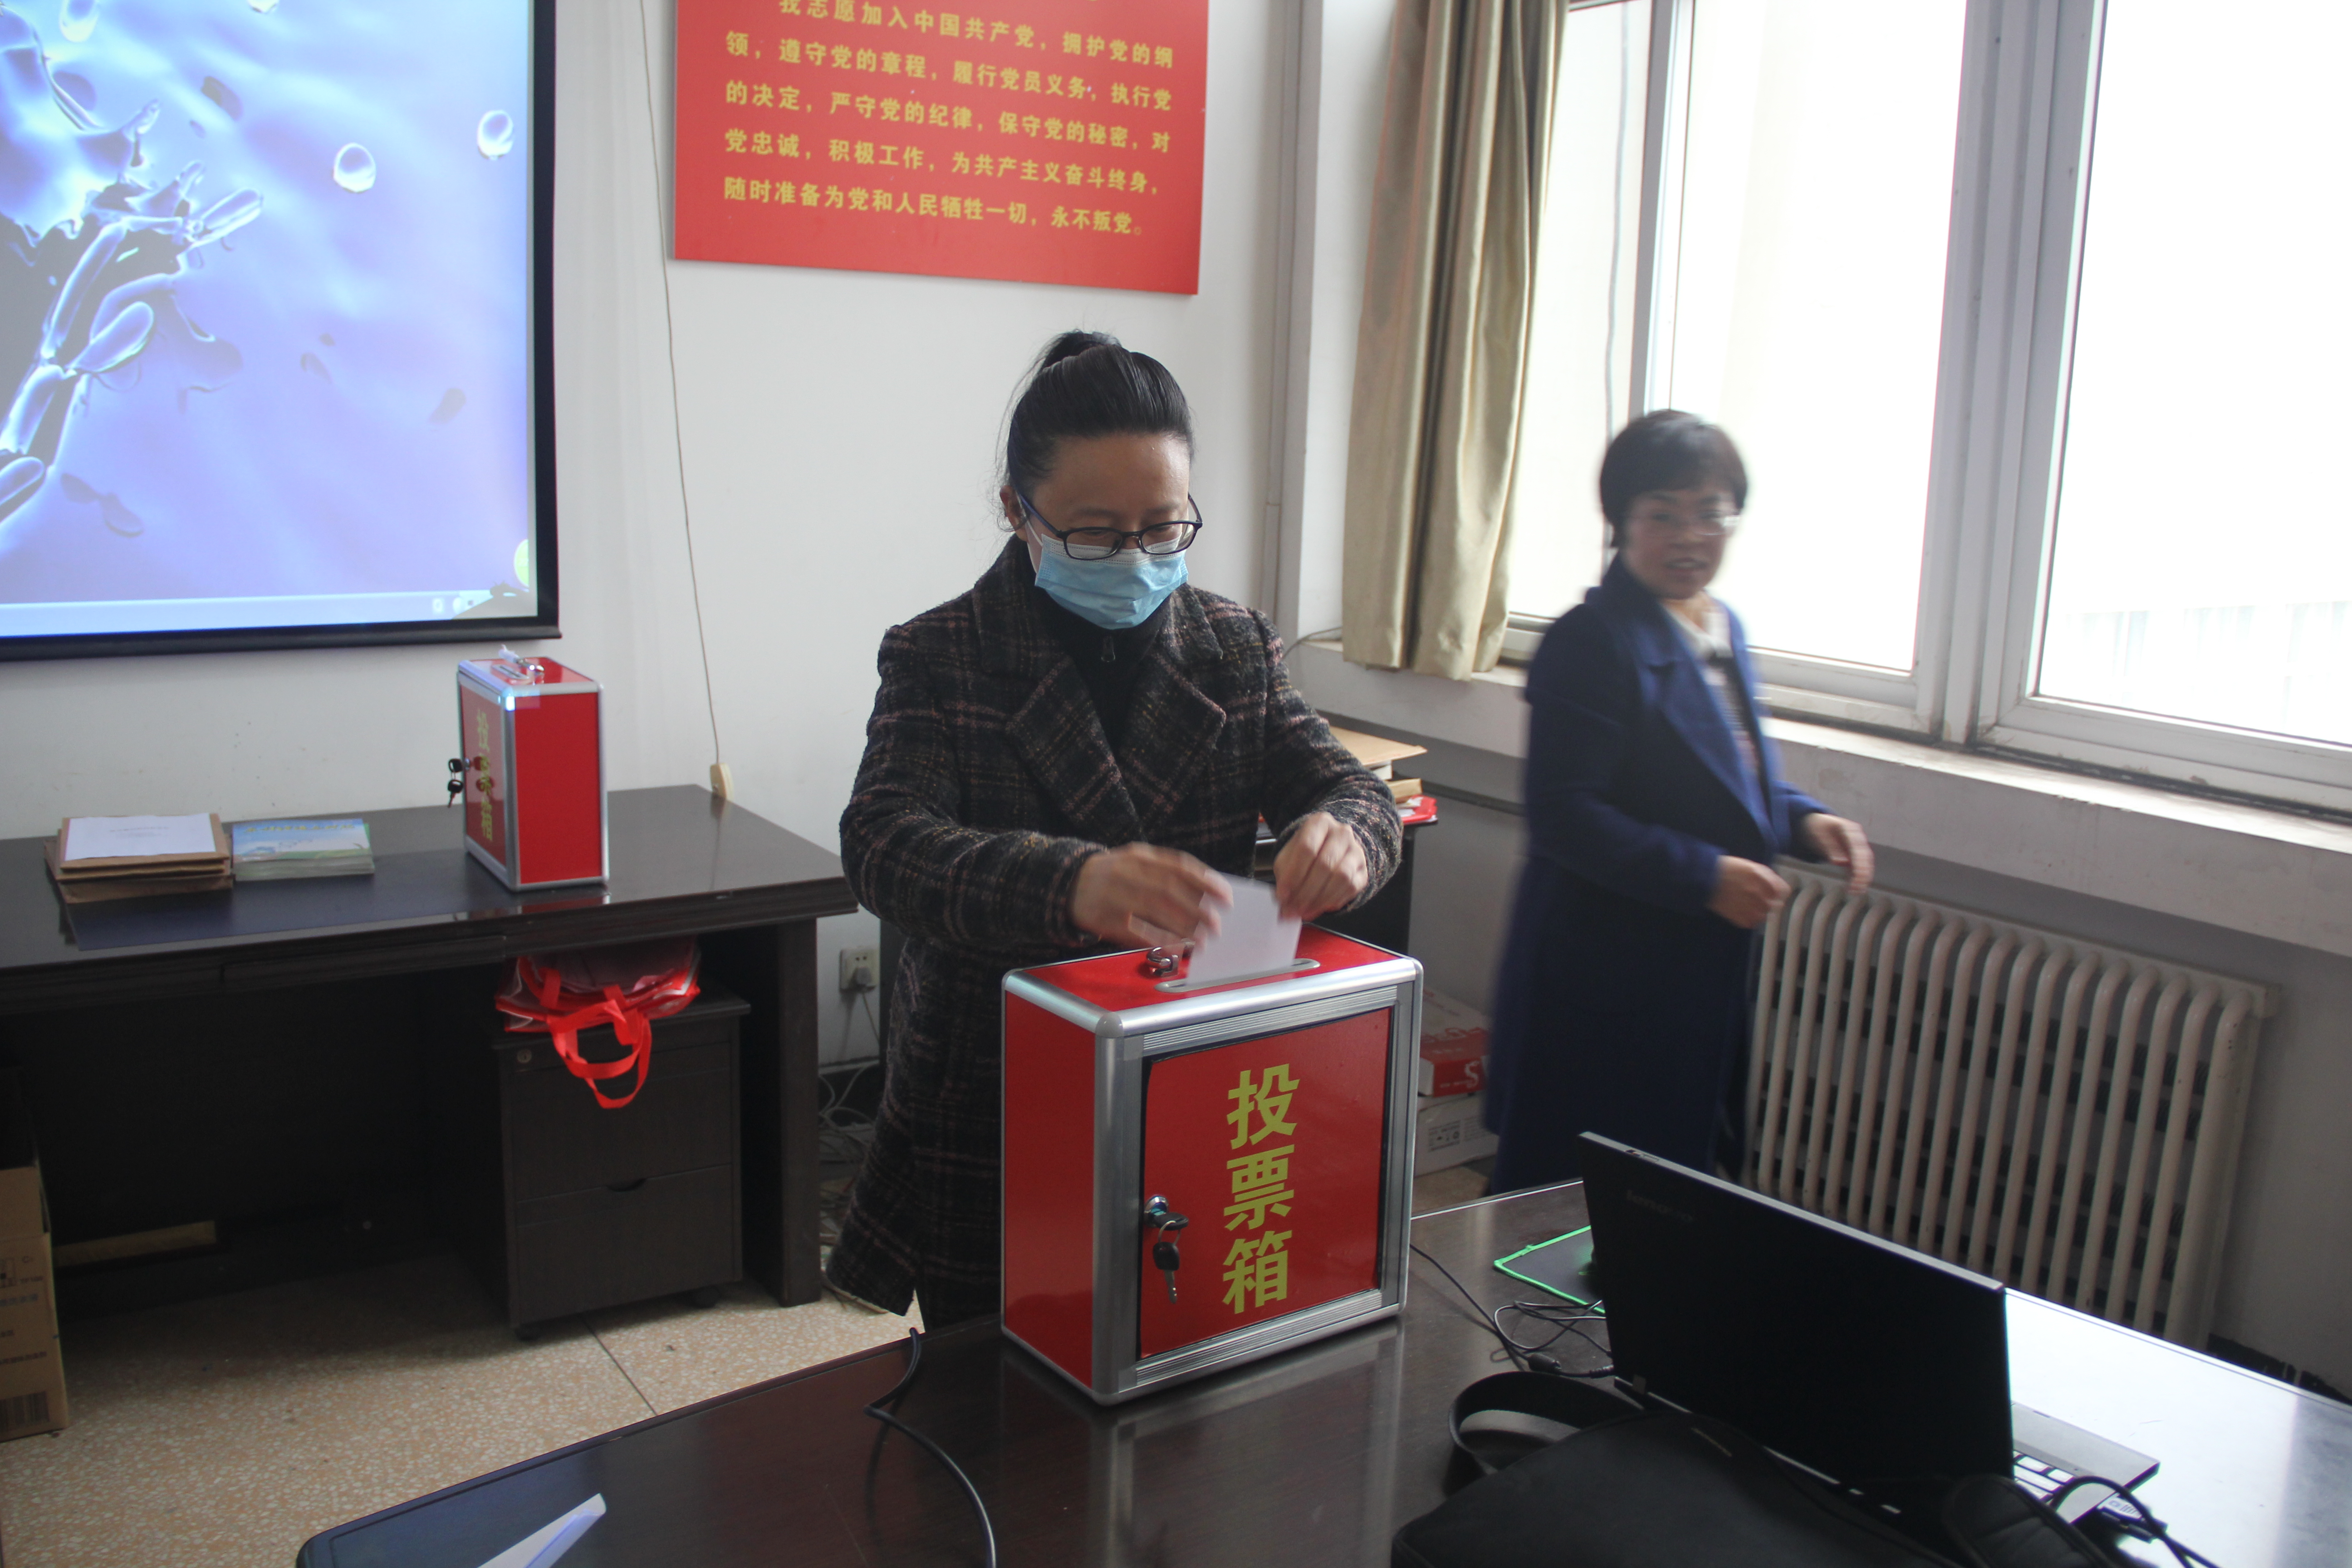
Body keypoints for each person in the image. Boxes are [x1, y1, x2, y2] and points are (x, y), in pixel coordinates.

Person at [827, 330, 1402, 1326]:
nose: (1135, 559)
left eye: (1164, 529)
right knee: (1001, 1372)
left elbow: (1351, 789)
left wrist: (1347, 833)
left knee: (1182, 1328)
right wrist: (1069, 883)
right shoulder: (942, 654)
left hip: (1189, 1067)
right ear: (1019, 511)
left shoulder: (1233, 646)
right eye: (1096, 535)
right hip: (998, 1084)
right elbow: (883, 843)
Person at [1484, 411, 1873, 1190]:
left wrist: (1805, 820)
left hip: (1688, 971)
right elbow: (1566, 814)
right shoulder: (1591, 640)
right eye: (1663, 515)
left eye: (1710, 514)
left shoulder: (1719, 627)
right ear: (1621, 521)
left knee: (1666, 1189)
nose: (1690, 537)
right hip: (1602, 971)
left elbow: (1725, 774)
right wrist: (1704, 876)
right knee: (1565, 1196)